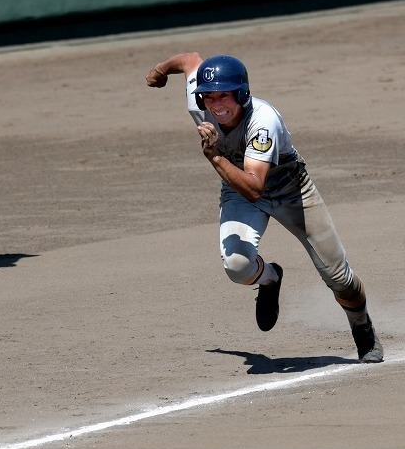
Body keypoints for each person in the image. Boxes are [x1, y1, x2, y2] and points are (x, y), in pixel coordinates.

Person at [146, 52, 384, 363]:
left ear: (241, 93)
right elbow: (191, 60)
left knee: (339, 278)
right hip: (237, 192)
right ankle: (270, 278)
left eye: (223, 96)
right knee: (236, 265)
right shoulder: (201, 104)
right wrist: (160, 70)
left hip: (291, 190)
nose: (216, 105)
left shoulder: (263, 122)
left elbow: (255, 189)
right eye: (208, 97)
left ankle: (361, 325)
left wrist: (216, 157)